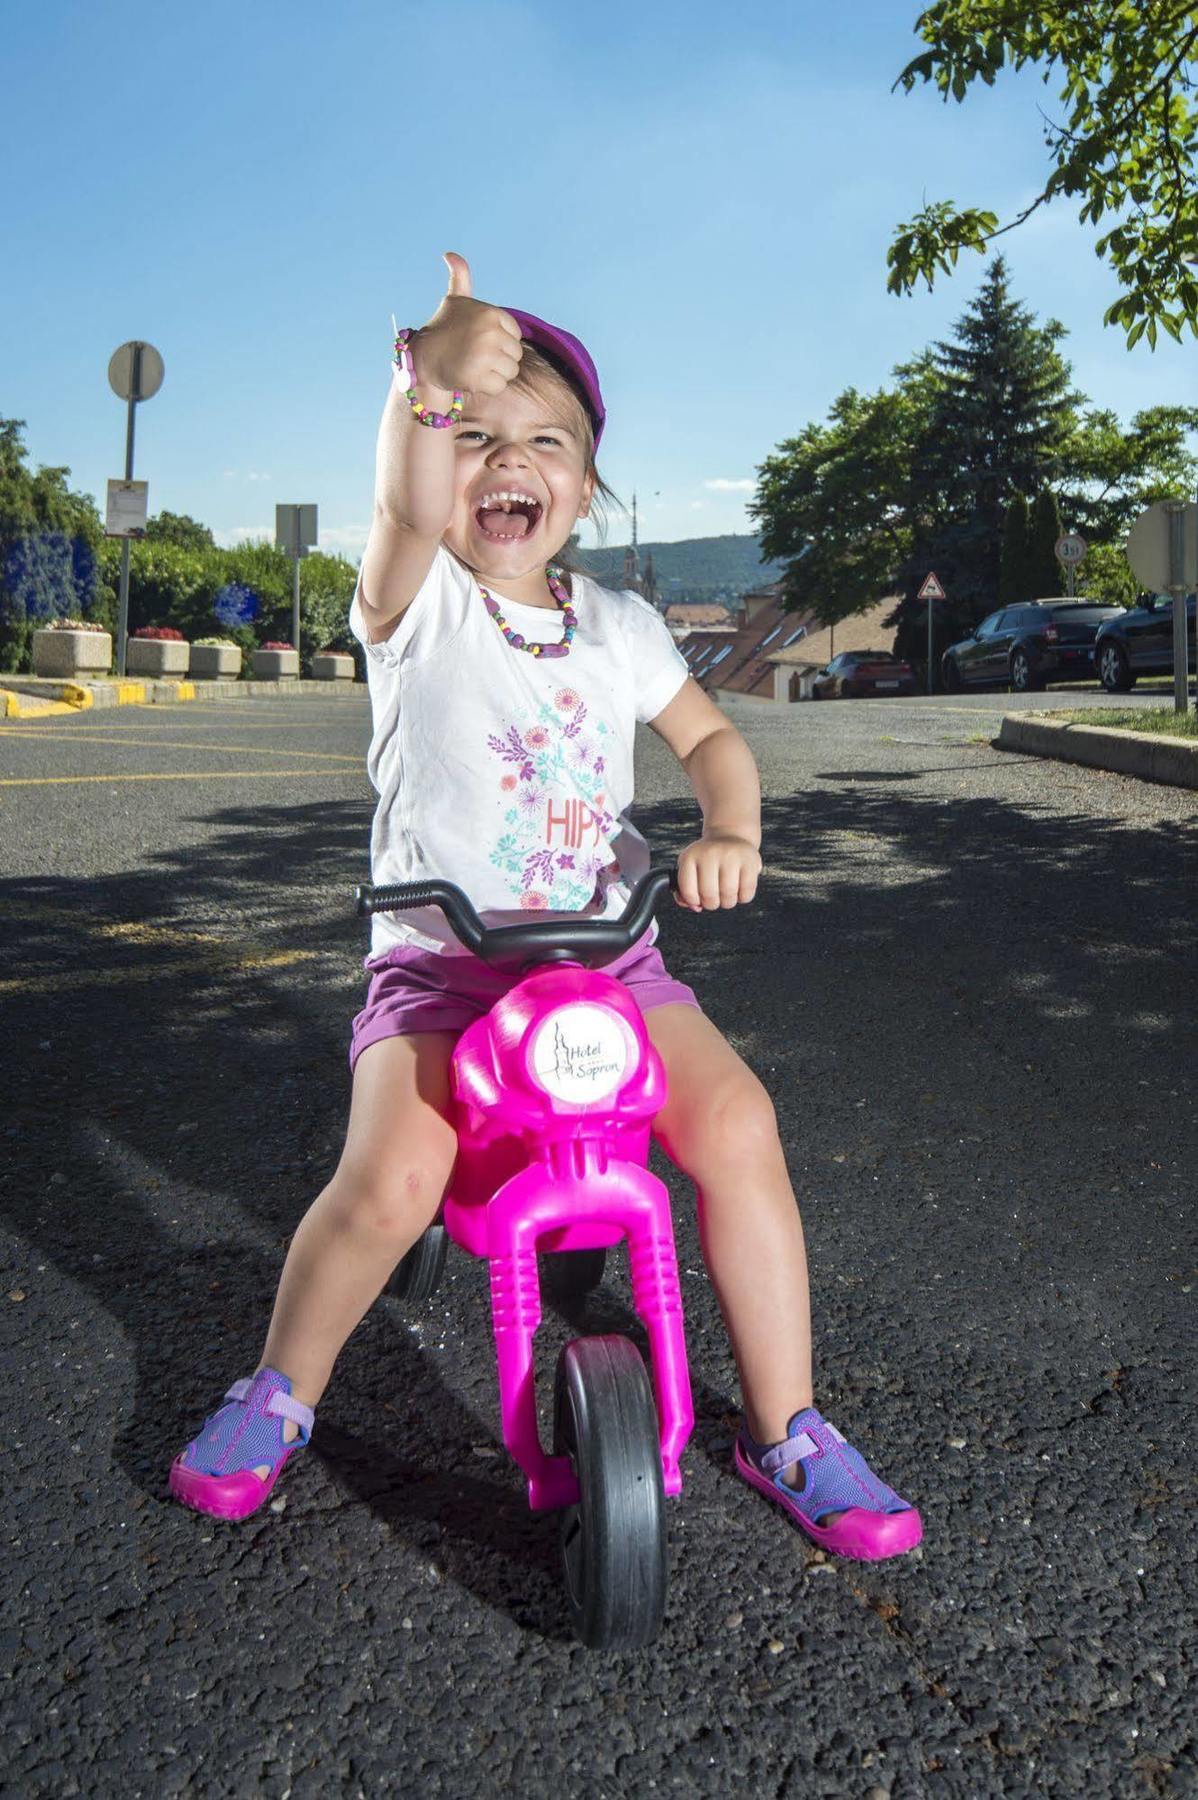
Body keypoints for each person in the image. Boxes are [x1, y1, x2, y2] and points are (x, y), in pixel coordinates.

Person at [170, 253, 922, 1561]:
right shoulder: (415, 601)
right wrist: (429, 385)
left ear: (583, 484)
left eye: (546, 441)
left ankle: (789, 1425)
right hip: (443, 974)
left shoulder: (620, 623)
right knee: (392, 1177)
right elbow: (404, 498)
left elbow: (710, 741)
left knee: (738, 1119)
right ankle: (279, 1389)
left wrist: (728, 824)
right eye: (478, 437)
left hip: (608, 967)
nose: (506, 460)